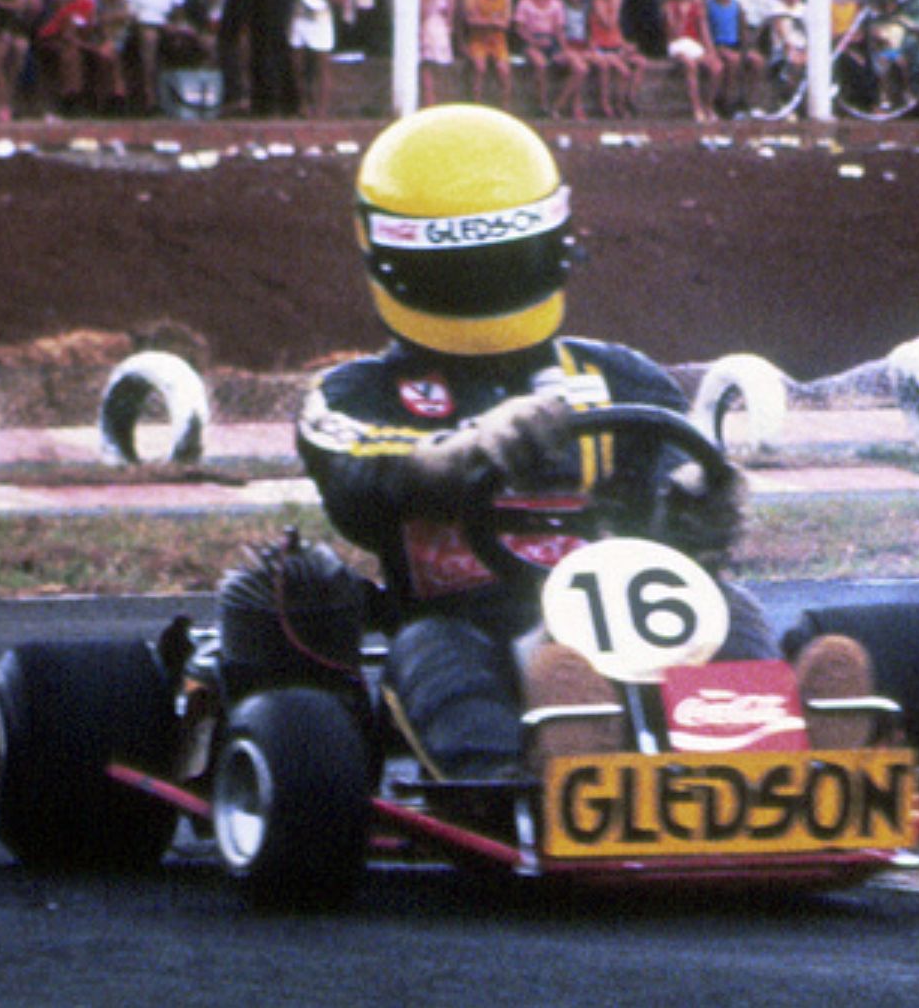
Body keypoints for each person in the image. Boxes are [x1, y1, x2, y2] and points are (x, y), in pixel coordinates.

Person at [293, 105, 837, 781]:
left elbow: (679, 483)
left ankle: (784, 756)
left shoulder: (623, 375)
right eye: (462, 270)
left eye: (505, 263)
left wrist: (699, 502)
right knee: (432, 645)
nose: (486, 288)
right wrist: (465, 453)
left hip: (637, 618)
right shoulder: (356, 392)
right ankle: (528, 772)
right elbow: (362, 473)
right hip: (470, 623)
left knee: (723, 606)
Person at [118, 0, 188, 114]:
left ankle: (193, 100)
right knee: (149, 37)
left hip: (165, 25)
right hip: (136, 26)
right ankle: (150, 97)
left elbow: (178, 10)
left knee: (203, 41)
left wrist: (179, 27)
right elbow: (127, 10)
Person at [514, 0, 583, 116]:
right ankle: (541, 103)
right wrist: (534, 41)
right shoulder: (525, 2)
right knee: (540, 64)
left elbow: (559, 30)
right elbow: (519, 28)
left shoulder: (557, 3)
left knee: (580, 67)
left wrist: (565, 50)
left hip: (552, 42)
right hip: (531, 42)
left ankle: (558, 105)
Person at [290, 0, 346, 117]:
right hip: (301, 20)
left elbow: (341, 1)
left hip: (321, 20)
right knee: (298, 63)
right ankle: (304, 104)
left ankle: (322, 109)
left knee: (322, 65)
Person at [663, 0, 722, 121]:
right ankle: (696, 108)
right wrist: (682, 14)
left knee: (716, 67)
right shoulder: (670, 6)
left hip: (694, 44)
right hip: (677, 44)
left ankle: (708, 105)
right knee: (690, 65)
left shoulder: (698, 7)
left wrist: (711, 52)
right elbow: (674, 33)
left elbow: (704, 32)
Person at [462, 0, 515, 108]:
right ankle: (476, 103)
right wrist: (492, 22)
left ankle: (506, 106)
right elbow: (471, 21)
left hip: (498, 41)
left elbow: (505, 24)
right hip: (478, 40)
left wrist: (485, 22)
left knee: (503, 70)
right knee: (480, 67)